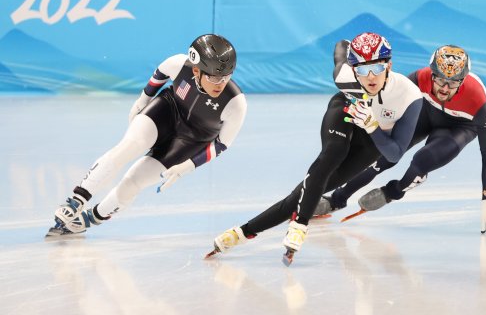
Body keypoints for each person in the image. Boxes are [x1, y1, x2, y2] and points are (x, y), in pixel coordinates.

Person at [207, 32, 423, 263]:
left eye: (377, 69)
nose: (370, 77)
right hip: (346, 112)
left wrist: (372, 125)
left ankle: (242, 232)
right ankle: (299, 224)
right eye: (362, 69)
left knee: (305, 193)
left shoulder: (409, 95)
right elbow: (341, 46)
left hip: (374, 139)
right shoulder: (345, 76)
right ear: (353, 68)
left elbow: (395, 153)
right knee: (334, 152)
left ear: (389, 65)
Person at [46, 34, 247, 236]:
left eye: (226, 76)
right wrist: (143, 101)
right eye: (214, 77)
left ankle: (92, 217)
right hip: (167, 112)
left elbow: (222, 143)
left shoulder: (236, 103)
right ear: (196, 70)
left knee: (134, 181)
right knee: (129, 146)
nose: (220, 83)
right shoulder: (178, 64)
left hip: (192, 140)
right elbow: (161, 74)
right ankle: (77, 199)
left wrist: (188, 166)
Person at [315, 45, 486, 235]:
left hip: (458, 127)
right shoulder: (419, 78)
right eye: (440, 80)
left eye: (453, 82)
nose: (444, 88)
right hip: (426, 113)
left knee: (422, 160)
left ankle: (394, 191)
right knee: (380, 157)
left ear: (463, 80)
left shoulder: (477, 99)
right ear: (431, 73)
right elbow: (389, 99)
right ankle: (337, 199)